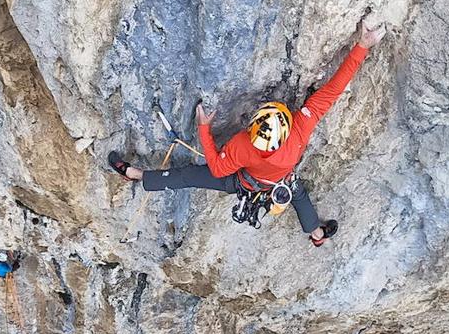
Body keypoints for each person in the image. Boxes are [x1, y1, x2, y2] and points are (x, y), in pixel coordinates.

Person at [108, 19, 384, 245]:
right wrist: (362, 46)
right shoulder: (298, 132)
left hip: (243, 181)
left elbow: (216, 169)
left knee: (188, 176)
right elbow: (331, 92)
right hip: (278, 183)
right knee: (298, 196)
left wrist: (204, 129)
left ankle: (134, 174)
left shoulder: (244, 144)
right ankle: (317, 234)